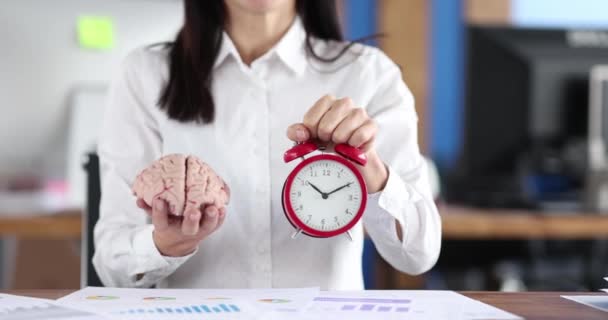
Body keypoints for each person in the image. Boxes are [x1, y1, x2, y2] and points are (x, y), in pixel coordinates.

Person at [93, 0, 441, 289]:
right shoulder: (145, 75)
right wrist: (164, 246)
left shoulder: (369, 75)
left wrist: (372, 173)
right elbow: (112, 267)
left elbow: (417, 254)